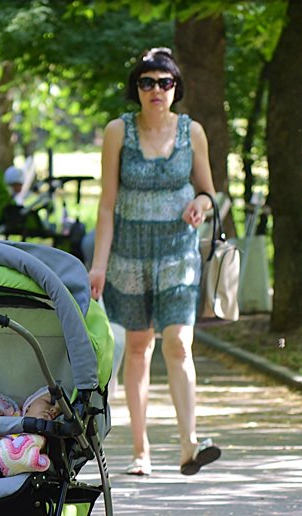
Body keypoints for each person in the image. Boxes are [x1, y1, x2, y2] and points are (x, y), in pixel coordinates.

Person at [87, 47, 222, 478]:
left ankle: (189, 445)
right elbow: (106, 206)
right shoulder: (117, 132)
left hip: (178, 252)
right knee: (140, 347)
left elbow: (209, 192)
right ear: (138, 89)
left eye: (165, 82)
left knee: (179, 342)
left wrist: (200, 205)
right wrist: (98, 264)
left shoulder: (192, 132)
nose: (156, 90)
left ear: (175, 88)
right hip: (129, 253)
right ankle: (140, 449)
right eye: (148, 82)